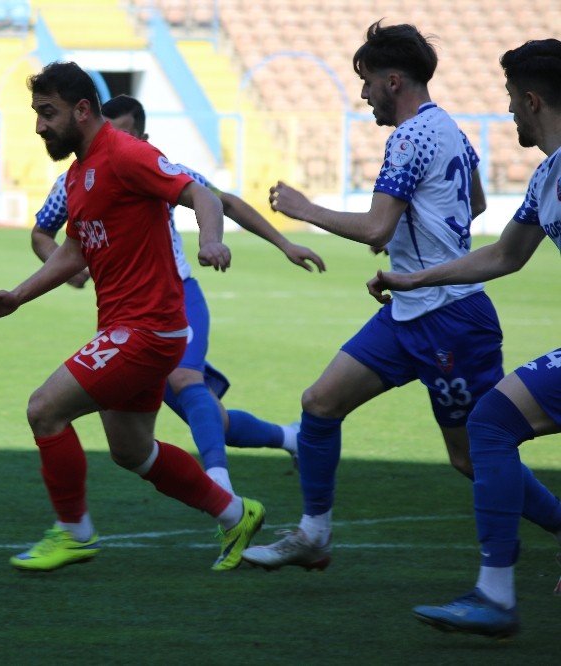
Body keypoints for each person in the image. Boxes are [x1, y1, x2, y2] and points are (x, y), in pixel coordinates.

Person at [241, 21, 561, 572]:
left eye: (365, 82)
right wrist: (416, 256)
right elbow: (475, 204)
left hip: (453, 320)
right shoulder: (451, 132)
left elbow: (375, 230)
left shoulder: (409, 138)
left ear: (393, 81)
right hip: (410, 309)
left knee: (472, 453)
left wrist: (303, 208)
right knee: (320, 403)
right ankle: (314, 534)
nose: (362, 95)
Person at [0, 61, 264, 572]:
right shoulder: (79, 174)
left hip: (147, 330)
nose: (39, 126)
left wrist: (211, 238)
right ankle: (236, 514)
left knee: (44, 409)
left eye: (48, 113)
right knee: (133, 452)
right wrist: (16, 297)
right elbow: (74, 251)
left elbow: (200, 195)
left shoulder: (128, 154)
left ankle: (74, 532)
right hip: (128, 329)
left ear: (82, 110)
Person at [31, 94, 326, 491]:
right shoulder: (73, 181)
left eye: (122, 134)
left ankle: (219, 485)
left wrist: (284, 244)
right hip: (124, 317)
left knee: (187, 379)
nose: (110, 142)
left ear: (142, 137)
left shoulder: (148, 164)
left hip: (176, 298)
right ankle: (292, 438)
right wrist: (66, 268)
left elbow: (224, 203)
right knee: (208, 416)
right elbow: (41, 232)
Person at [369, 38, 561, 639]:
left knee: (486, 427)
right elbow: (504, 255)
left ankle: (496, 597)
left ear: (532, 101)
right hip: (431, 295)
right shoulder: (547, 177)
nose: (508, 113)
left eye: (510, 100)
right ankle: (495, 594)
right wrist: (416, 278)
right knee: (488, 424)